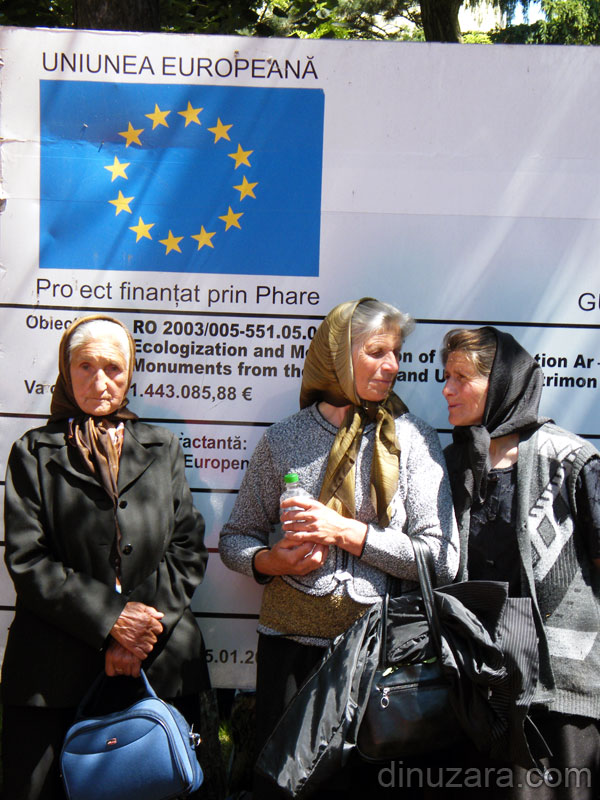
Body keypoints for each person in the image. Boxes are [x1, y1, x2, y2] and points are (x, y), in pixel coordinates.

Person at [219, 298, 459, 798]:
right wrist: (269, 561)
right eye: (377, 352)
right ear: (336, 355)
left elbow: (442, 559)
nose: (392, 366)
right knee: (285, 790)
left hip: (380, 659)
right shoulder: (285, 438)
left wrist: (347, 532)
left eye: (396, 353)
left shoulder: (413, 439)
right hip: (289, 654)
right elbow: (235, 538)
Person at [2, 314, 211, 800]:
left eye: (113, 368)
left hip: (156, 659)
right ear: (65, 370)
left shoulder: (162, 447)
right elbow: (29, 559)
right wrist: (112, 620)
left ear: (130, 372)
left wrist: (137, 635)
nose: (100, 381)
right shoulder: (33, 452)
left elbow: (186, 546)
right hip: (53, 670)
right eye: (85, 366)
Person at [441, 326, 600, 799]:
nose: (447, 389)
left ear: (502, 383)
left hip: (558, 698)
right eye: (445, 377)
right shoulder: (450, 465)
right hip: (477, 690)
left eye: (461, 377)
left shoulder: (571, 461)